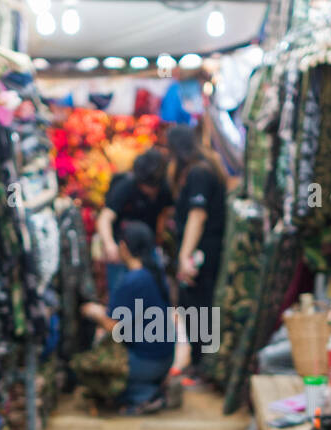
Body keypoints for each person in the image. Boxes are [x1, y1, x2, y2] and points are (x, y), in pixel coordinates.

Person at [80, 222, 176, 415]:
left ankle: (145, 394)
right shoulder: (153, 274)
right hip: (164, 357)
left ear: (124, 247)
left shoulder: (133, 280)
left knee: (88, 369)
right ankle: (152, 387)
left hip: (148, 361)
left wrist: (93, 312)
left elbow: (112, 326)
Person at [165, 124, 227, 370]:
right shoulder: (206, 166)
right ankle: (201, 361)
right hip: (204, 248)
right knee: (198, 305)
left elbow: (197, 215)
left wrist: (184, 255)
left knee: (197, 305)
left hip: (200, 250)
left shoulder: (198, 173)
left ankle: (202, 364)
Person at [97, 149, 170, 295]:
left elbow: (167, 212)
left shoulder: (164, 189)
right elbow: (105, 218)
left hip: (149, 249)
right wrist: (109, 244)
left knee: (155, 291)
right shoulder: (126, 186)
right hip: (123, 251)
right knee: (122, 295)